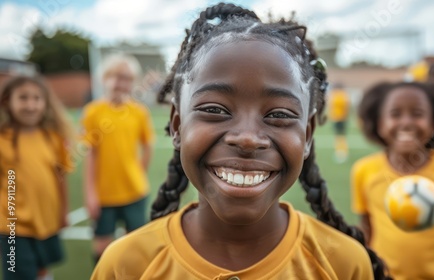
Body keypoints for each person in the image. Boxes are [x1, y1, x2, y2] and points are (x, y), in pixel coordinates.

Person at [92, 3, 391, 279]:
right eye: (214, 109)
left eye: (279, 114)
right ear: (177, 125)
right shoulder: (124, 266)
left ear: (308, 133)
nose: (247, 138)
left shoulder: (345, 264)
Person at [352, 81, 434, 280]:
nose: (406, 122)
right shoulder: (364, 171)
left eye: (417, 114)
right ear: (379, 123)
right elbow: (368, 231)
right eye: (395, 114)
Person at [81, 53, 155, 264]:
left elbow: (147, 145)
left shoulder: (139, 112)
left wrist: (138, 172)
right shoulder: (93, 112)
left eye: (127, 78)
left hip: (134, 191)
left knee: (134, 247)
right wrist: (91, 193)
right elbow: (91, 156)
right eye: (115, 76)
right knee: (102, 249)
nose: (120, 83)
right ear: (104, 78)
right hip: (104, 196)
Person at [0, 76, 74, 280]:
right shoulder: (2, 139)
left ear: (45, 102)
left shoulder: (53, 137)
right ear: (8, 101)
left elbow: (60, 177)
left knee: (43, 269)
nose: (30, 105)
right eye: (23, 98)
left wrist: (63, 212)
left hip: (47, 222)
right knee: (18, 274)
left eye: (36, 98)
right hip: (13, 227)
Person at [327, 83, 350, 162]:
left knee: (338, 137)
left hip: (337, 118)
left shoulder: (336, 95)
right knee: (341, 136)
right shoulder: (344, 95)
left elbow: (331, 106)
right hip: (342, 118)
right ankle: (342, 152)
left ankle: (340, 152)